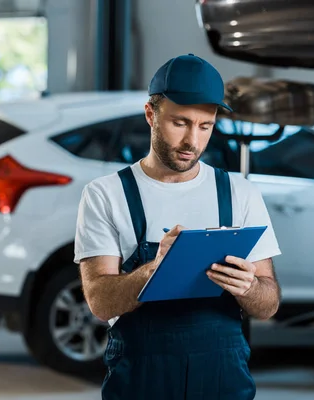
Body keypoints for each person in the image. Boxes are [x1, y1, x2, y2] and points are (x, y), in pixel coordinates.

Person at [74, 53, 282, 399]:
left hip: (222, 377)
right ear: (150, 115)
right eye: (180, 123)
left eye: (206, 126)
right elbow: (100, 302)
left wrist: (248, 288)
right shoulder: (106, 195)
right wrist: (154, 270)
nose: (193, 142)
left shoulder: (239, 193)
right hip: (142, 379)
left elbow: (269, 303)